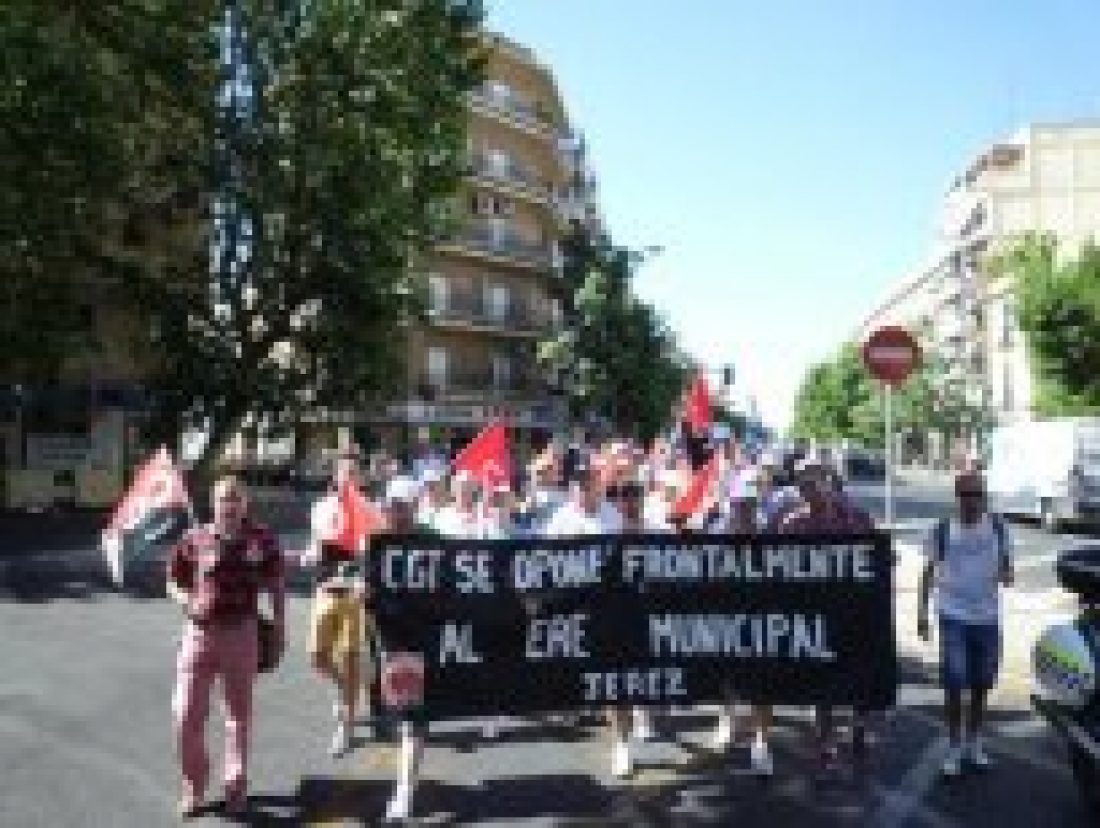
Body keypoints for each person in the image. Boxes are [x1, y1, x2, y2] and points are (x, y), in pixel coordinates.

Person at [167, 476, 285, 819]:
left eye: (235, 499)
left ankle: (235, 786)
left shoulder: (262, 539)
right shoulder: (194, 538)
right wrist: (184, 599)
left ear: (245, 503)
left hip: (242, 633)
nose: (229, 505)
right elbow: (173, 579)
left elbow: (276, 583)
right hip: (199, 635)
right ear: (213, 504)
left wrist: (279, 628)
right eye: (222, 499)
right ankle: (194, 785)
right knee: (184, 714)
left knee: (238, 717)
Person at [771, 459, 875, 772]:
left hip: (852, 611)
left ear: (827, 481)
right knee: (823, 683)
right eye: (803, 484)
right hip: (816, 614)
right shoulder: (792, 524)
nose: (809, 489)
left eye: (814, 482)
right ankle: (826, 743)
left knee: (858, 674)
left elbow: (879, 557)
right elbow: (776, 567)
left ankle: (859, 726)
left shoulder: (855, 518)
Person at [917, 472, 1013, 777]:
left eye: (976, 494)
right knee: (955, 684)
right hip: (953, 616)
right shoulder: (942, 530)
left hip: (987, 617)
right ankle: (954, 747)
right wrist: (921, 613)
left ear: (983, 496)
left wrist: (1007, 574)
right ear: (957, 497)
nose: (972, 500)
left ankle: (974, 742)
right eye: (966, 495)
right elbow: (928, 572)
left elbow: (1007, 568)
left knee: (983, 684)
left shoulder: (998, 527)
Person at [304, 455, 380, 757]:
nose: (348, 477)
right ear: (334, 476)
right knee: (317, 657)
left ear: (360, 478)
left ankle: (345, 728)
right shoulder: (321, 508)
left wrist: (366, 578)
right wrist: (310, 554)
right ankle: (347, 688)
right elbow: (316, 543)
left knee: (348, 658)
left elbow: (375, 552)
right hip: (325, 588)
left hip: (353, 593)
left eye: (353, 473)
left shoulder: (369, 510)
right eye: (343, 472)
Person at [379, 475, 433, 822]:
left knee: (414, 721)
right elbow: (361, 574)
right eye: (390, 504)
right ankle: (404, 789)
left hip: (427, 640)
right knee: (406, 719)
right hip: (390, 642)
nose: (393, 511)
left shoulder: (434, 540)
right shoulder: (377, 541)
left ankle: (403, 793)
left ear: (414, 506)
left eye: (401, 505)